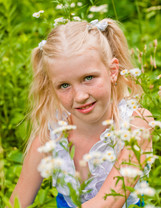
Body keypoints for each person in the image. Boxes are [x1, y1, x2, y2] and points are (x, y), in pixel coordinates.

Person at [10, 18, 153, 208]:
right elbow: (16, 203)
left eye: (88, 78)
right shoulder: (52, 134)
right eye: (64, 85)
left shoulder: (136, 124)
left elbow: (108, 203)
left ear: (112, 71)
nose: (79, 96)